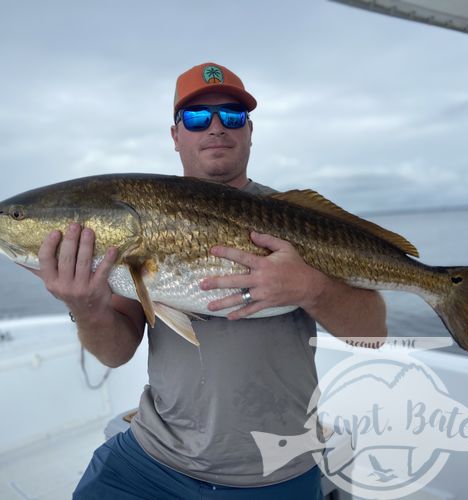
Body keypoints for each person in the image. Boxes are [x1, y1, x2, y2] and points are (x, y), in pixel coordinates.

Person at [36, 62, 387, 499]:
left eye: (232, 116)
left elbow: (372, 335)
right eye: (199, 118)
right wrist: (86, 308)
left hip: (274, 469)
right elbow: (115, 352)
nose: (217, 127)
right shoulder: (138, 227)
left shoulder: (298, 222)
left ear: (250, 131)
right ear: (176, 135)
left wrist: (311, 287)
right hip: (152, 457)